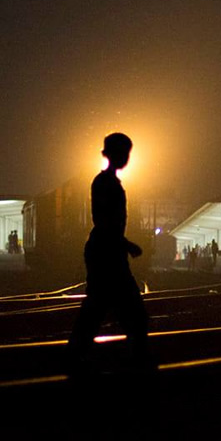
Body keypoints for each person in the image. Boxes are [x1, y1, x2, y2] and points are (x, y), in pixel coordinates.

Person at [67, 132, 152, 373]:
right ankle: (139, 366)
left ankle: (74, 358)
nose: (126, 157)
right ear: (113, 154)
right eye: (124, 153)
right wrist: (127, 245)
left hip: (104, 252)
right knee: (131, 315)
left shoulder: (106, 183)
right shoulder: (106, 184)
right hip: (108, 254)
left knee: (97, 309)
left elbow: (104, 223)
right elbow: (104, 222)